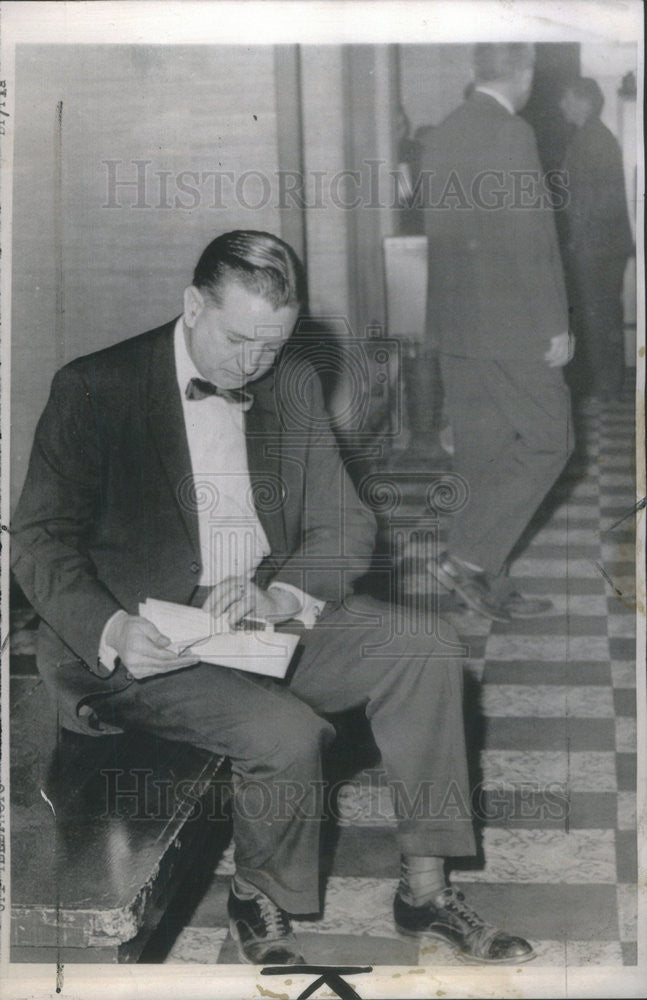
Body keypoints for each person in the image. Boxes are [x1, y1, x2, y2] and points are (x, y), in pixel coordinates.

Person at [11, 229, 535, 966]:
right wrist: (114, 626)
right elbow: (38, 538)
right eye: (237, 342)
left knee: (426, 647)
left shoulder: (287, 383)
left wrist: (283, 593)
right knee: (285, 733)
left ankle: (425, 890)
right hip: (141, 645)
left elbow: (347, 522)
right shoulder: (95, 386)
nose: (252, 364)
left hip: (254, 618)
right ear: (192, 305)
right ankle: (260, 898)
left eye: (272, 345)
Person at [419, 43, 575, 623]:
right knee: (550, 440)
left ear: (471, 71)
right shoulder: (513, 134)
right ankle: (468, 557)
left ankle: (484, 580)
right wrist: (555, 324)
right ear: (526, 75)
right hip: (512, 326)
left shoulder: (444, 133)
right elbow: (531, 237)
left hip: (458, 326)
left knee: (481, 459)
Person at [559, 76, 633, 404]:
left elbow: (596, 199)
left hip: (597, 247)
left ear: (583, 102)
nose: (562, 105)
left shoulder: (591, 139)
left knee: (598, 316)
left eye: (567, 99)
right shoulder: (591, 137)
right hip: (603, 245)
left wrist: (580, 237)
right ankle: (606, 384)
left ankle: (605, 387)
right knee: (601, 314)